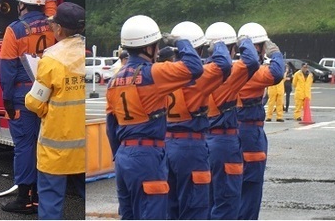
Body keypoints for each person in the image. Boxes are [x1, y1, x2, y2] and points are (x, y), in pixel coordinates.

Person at [106, 15, 203, 220]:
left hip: (124, 156)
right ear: (149, 48)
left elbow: (110, 126)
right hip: (147, 155)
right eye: (156, 46)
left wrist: (120, 156)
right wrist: (179, 41)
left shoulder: (114, 81)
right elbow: (194, 67)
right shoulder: (154, 73)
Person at [0, 0, 57, 214]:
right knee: (44, 144)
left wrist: (7, 100)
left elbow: (7, 70)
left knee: (24, 145)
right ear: (42, 5)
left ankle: (25, 198)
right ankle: (42, 195)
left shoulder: (15, 30)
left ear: (22, 5)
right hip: (48, 93)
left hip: (23, 96)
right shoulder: (54, 23)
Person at [164, 21, 232, 220]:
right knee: (195, 209)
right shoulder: (199, 77)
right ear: (200, 50)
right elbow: (224, 64)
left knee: (171, 209)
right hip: (191, 147)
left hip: (166, 144)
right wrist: (218, 44)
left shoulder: (162, 71)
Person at [25, 2, 86, 220]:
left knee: (51, 201)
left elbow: (35, 102)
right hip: (86, 145)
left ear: (59, 29)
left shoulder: (50, 60)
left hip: (56, 147)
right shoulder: (89, 54)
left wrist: (28, 97)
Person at [204, 22, 260, 220]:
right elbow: (253, 61)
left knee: (208, 201)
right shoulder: (228, 74)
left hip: (204, 141)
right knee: (227, 203)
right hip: (224, 142)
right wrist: (245, 40)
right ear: (230, 49)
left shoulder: (200, 72)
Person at [235, 23, 284, 220]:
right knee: (251, 187)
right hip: (250, 132)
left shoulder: (230, 67)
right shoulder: (252, 71)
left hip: (231, 129)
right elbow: (277, 72)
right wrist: (276, 53)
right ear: (258, 47)